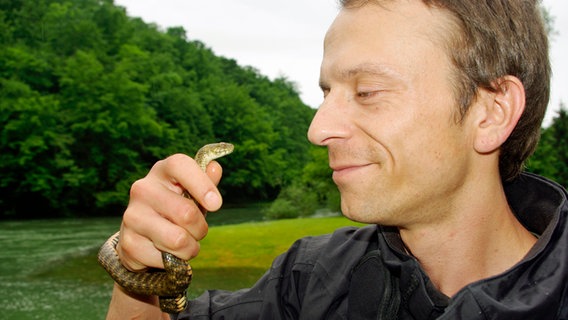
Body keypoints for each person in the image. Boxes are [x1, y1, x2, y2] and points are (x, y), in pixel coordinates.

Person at [104, 0, 568, 319]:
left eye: (367, 91)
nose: (317, 129)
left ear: (492, 112)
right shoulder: (306, 281)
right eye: (327, 92)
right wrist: (139, 275)